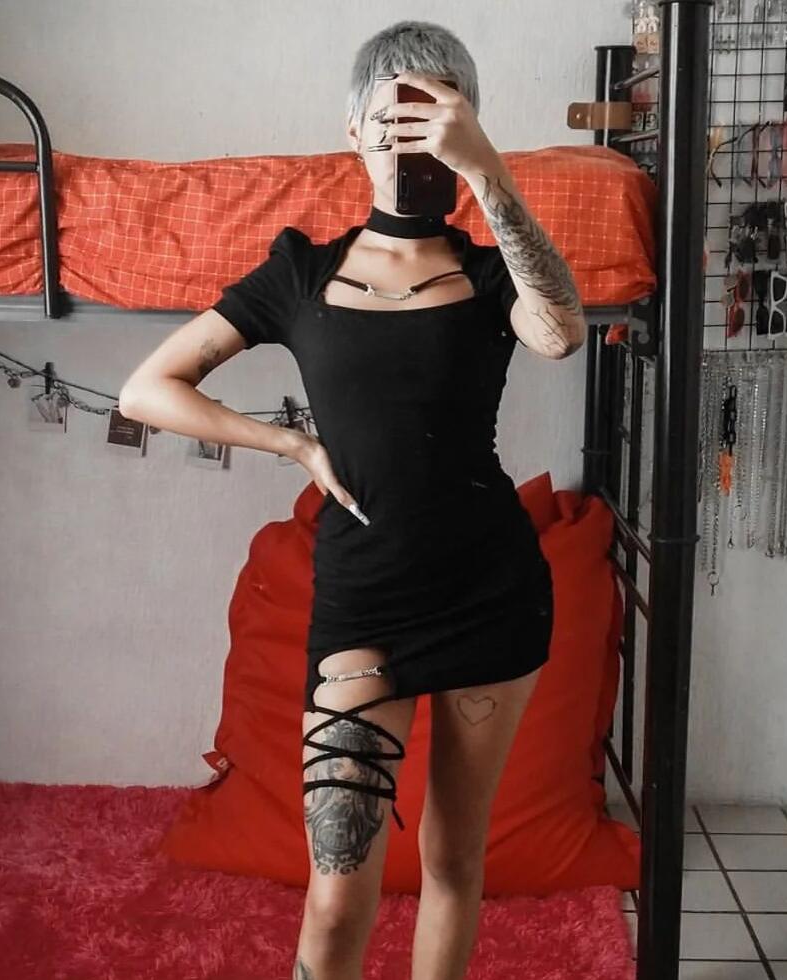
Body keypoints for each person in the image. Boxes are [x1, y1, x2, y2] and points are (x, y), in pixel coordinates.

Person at [120, 19, 586, 980]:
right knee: (336, 897)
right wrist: (291, 443)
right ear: (353, 133)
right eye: (388, 121)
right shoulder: (303, 271)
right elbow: (147, 389)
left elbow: (561, 333)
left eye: (431, 122)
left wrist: (486, 169)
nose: (406, 141)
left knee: (454, 859)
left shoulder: (489, 269)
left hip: (492, 589)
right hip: (365, 596)